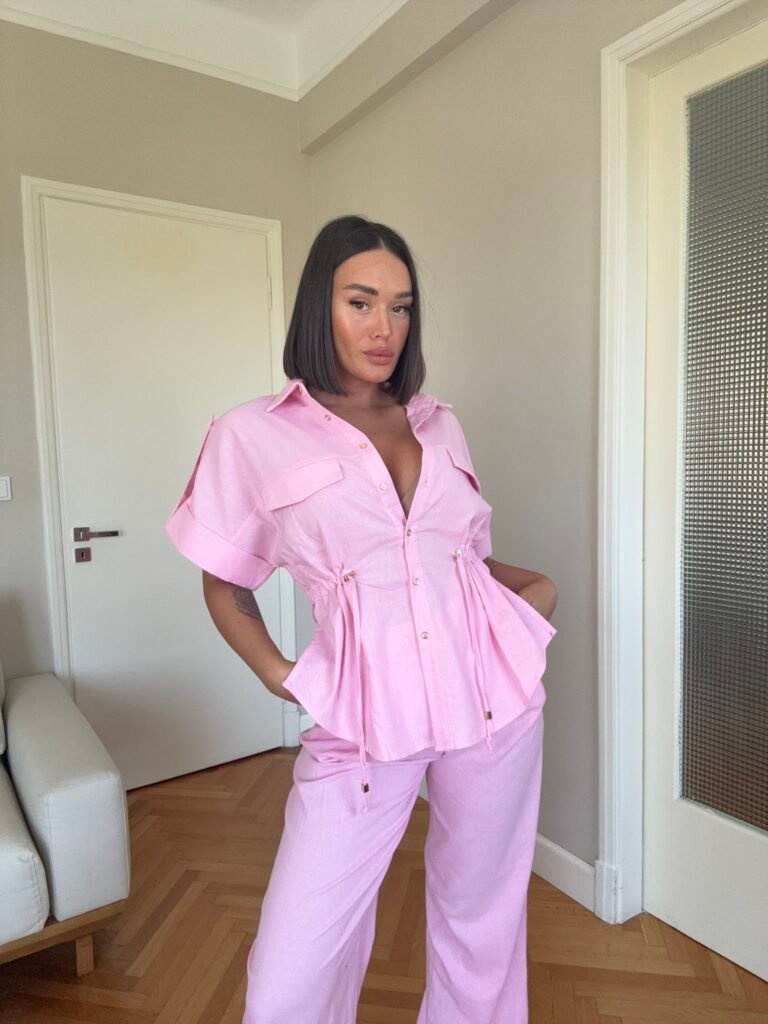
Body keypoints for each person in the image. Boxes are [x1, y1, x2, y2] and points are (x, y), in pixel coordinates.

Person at [165, 214, 558, 1023]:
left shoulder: (439, 422)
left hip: (493, 705)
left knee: (482, 921)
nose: (385, 327)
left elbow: (459, 562)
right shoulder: (252, 434)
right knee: (293, 964)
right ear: (321, 304)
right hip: (360, 721)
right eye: (361, 301)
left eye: (401, 307)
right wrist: (280, 675)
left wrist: (538, 593)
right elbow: (224, 586)